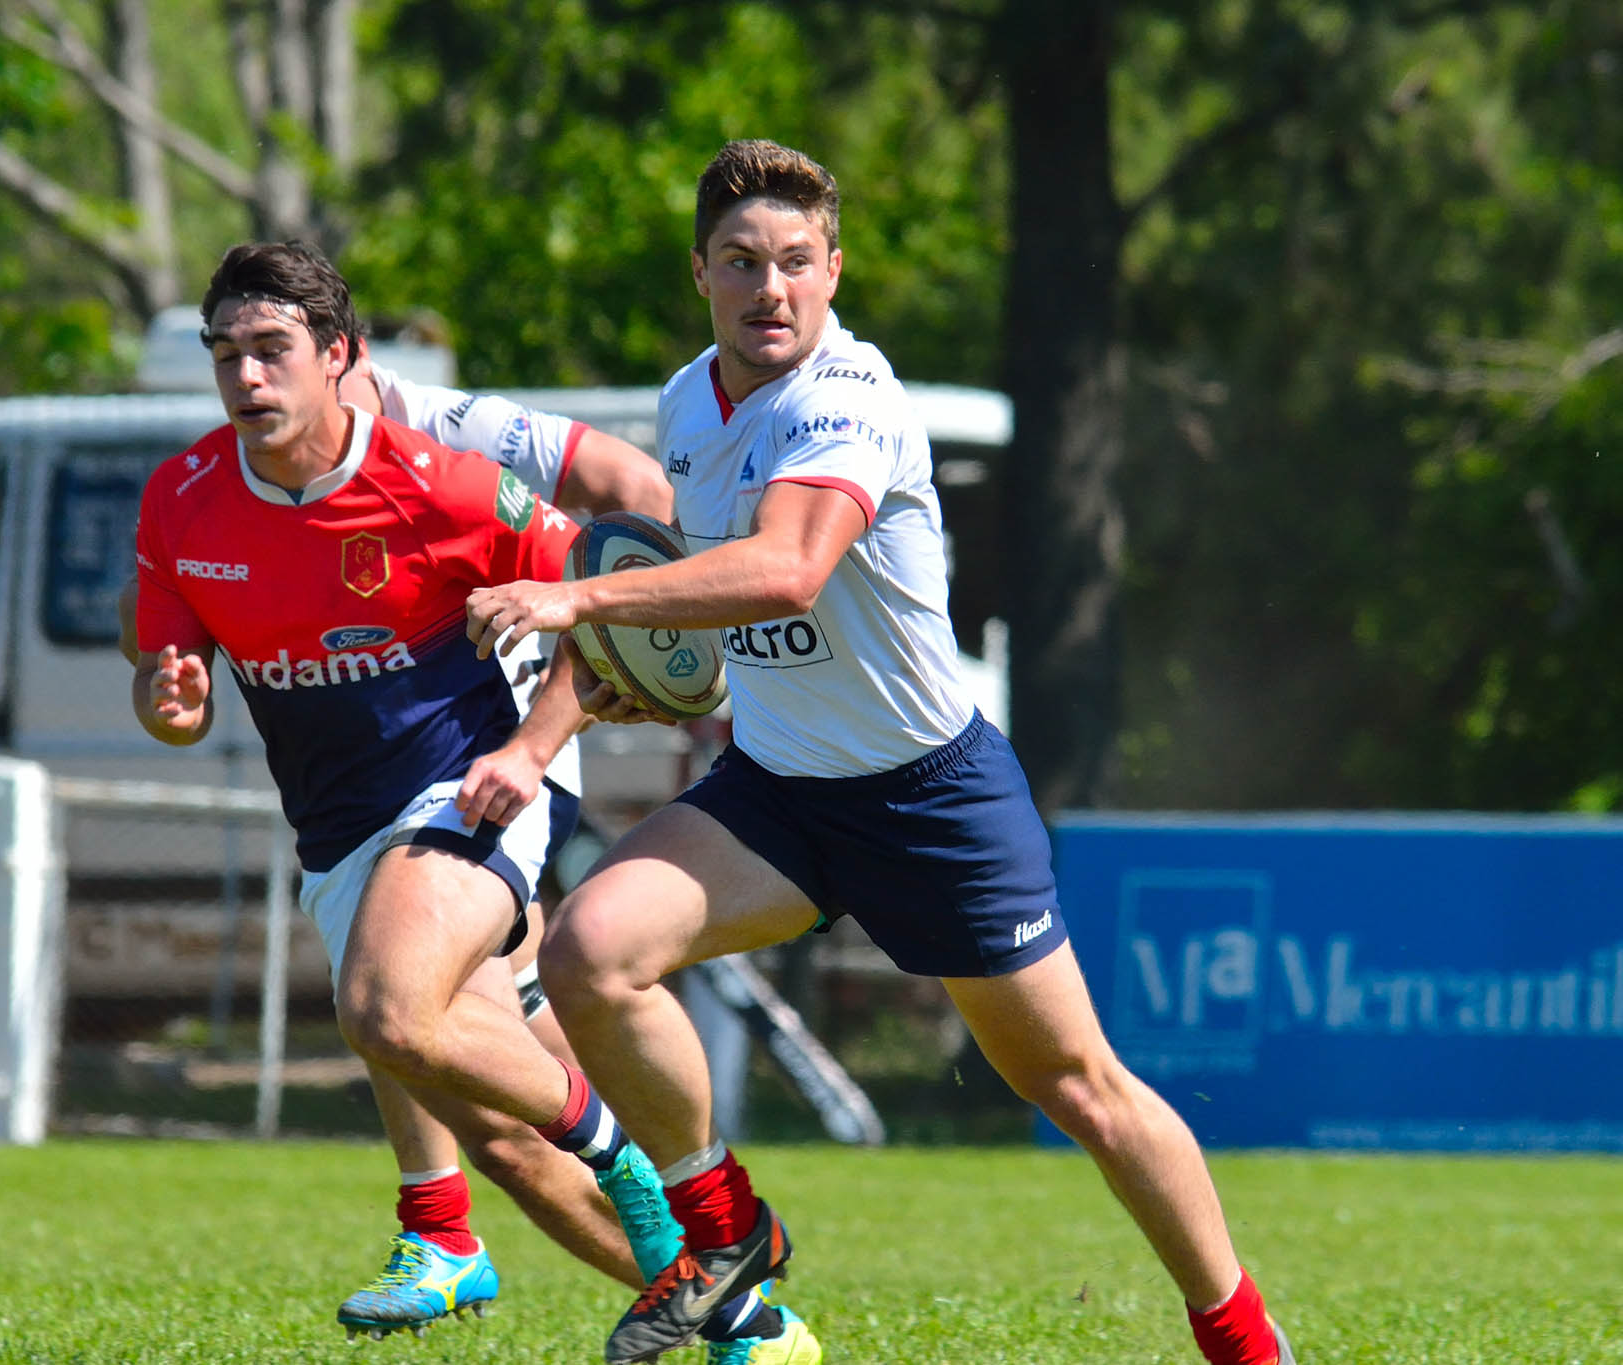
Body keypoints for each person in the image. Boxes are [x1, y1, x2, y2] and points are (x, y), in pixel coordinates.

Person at [465, 139, 1299, 1365]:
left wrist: (578, 600)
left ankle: (1242, 1339)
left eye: (796, 261)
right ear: (700, 272)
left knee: (1080, 1089)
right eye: (741, 261)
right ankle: (724, 1230)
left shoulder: (849, 397)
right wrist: (608, 694)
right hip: (780, 794)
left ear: (834, 270)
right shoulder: (690, 402)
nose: (771, 288)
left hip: (931, 800)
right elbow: (701, 593)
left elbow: (786, 569)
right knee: (591, 951)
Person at [130, 239, 812, 1364]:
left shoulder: (438, 481)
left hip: (472, 781)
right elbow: (170, 691)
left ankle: (628, 1169)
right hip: (340, 833)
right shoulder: (183, 500)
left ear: (337, 356)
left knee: (384, 1010)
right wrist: (172, 699)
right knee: (504, 1138)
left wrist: (534, 750)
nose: (247, 376)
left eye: (271, 349)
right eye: (226, 354)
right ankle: (751, 1325)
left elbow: (596, 604)